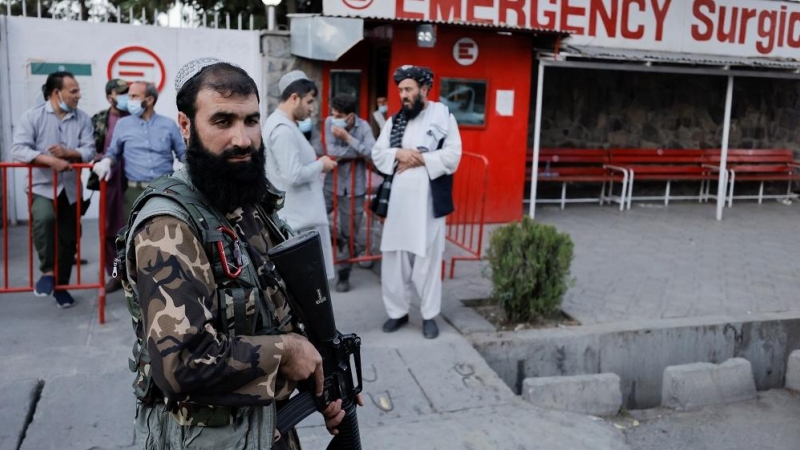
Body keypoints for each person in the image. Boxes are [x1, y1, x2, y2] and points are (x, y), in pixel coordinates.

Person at [127, 58, 357, 450]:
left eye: (251, 121)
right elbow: (180, 363)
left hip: (268, 425)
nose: (243, 139)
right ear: (186, 126)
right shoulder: (168, 225)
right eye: (222, 121)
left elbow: (273, 308)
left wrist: (319, 376)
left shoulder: (247, 202)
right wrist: (286, 353)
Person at [372, 65, 462, 339]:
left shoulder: (443, 116)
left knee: (428, 261)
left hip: (428, 206)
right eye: (400, 90)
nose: (403, 95)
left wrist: (422, 158)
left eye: (408, 89)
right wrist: (401, 153)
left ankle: (429, 315)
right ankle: (397, 313)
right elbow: (378, 154)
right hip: (398, 205)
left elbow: (453, 155)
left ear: (424, 89)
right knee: (394, 259)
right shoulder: (394, 120)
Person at [11, 71, 94, 308]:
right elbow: (18, 149)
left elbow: (89, 150)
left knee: (68, 239)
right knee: (45, 219)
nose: (79, 95)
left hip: (69, 188)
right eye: (74, 90)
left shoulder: (83, 119)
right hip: (42, 186)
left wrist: (70, 153)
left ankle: (62, 287)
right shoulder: (33, 117)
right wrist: (49, 161)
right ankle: (48, 271)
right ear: (57, 93)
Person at [263, 70, 337, 281]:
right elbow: (293, 175)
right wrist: (320, 165)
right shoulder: (283, 130)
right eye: (310, 101)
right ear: (294, 98)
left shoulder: (284, 126)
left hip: (300, 219)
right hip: (298, 222)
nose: (312, 109)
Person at [92, 81, 186, 218]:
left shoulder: (169, 125)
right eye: (129, 96)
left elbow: (182, 154)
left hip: (166, 189)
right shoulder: (123, 124)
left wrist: (196, 166)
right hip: (134, 192)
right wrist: (105, 162)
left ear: (149, 100)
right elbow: (113, 152)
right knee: (134, 235)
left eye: (134, 96)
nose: (129, 101)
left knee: (167, 231)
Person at [324, 94, 376, 293]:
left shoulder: (363, 127)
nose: (333, 117)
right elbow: (331, 151)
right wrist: (357, 152)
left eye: (339, 115)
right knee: (315, 219)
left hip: (355, 188)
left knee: (350, 230)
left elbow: (372, 153)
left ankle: (344, 274)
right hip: (331, 183)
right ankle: (339, 240)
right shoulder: (329, 122)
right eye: (333, 113)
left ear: (350, 116)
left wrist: (348, 139)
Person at [91, 78, 129, 293]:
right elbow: (89, 147)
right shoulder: (99, 120)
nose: (125, 96)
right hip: (109, 183)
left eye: (128, 92)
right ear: (109, 97)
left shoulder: (135, 118)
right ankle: (115, 275)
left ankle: (135, 276)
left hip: (131, 181)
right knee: (109, 233)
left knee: (132, 230)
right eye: (120, 92)